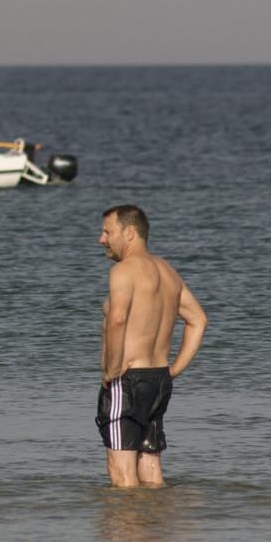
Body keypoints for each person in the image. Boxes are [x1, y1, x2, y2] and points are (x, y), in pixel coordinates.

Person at [96, 204, 207, 489]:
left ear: (130, 233)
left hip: (128, 380)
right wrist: (175, 369)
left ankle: (127, 530)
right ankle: (154, 526)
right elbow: (198, 320)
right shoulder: (168, 271)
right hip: (159, 379)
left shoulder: (123, 271)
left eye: (108, 232)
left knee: (122, 474)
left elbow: (118, 319)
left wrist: (111, 371)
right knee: (150, 464)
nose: (102, 239)